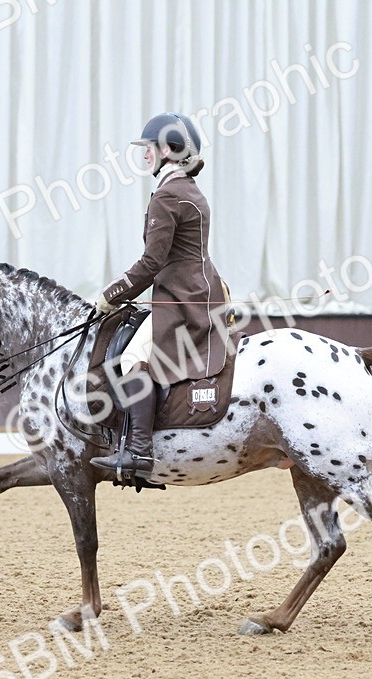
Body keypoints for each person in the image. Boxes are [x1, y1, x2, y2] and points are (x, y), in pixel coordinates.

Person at [89, 112, 230, 482]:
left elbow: (151, 262)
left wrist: (111, 294)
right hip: (198, 291)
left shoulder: (168, 195)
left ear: (168, 149)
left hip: (182, 299)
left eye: (149, 148)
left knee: (133, 358)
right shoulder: (188, 190)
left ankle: (139, 450)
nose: (144, 155)